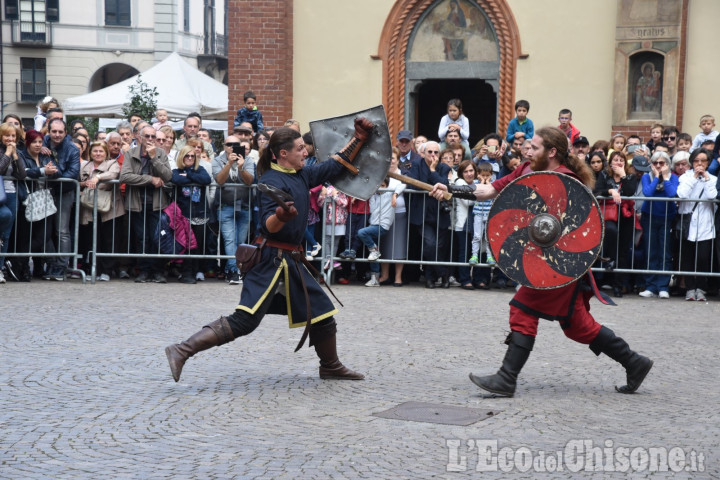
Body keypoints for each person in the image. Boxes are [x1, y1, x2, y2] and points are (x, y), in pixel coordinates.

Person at [430, 126, 653, 397]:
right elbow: (489, 190)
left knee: (522, 309)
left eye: (534, 147)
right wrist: (452, 189)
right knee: (577, 326)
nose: (527, 150)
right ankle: (635, 362)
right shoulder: (525, 169)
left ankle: (506, 378)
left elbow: (580, 230)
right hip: (542, 261)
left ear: (552, 152)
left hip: (559, 263)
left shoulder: (569, 181)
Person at [165, 125, 366, 383]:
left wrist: (358, 139)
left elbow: (336, 165)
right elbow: (268, 225)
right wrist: (281, 217)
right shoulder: (271, 180)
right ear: (283, 153)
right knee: (245, 320)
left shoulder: (302, 174)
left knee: (321, 311)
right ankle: (181, 350)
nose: (306, 152)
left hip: (291, 261)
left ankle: (330, 366)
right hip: (271, 259)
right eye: (300, 148)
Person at [119, 125, 173, 283]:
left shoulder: (161, 153)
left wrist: (154, 158)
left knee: (157, 238)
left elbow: (168, 176)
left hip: (156, 203)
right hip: (138, 203)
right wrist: (150, 179)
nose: (150, 139)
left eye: (153, 137)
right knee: (142, 238)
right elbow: (125, 176)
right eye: (147, 136)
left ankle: (157, 271)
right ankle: (144, 270)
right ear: (140, 138)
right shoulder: (131, 153)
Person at [78, 141, 124, 282]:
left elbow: (114, 174)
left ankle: (107, 270)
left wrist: (98, 177)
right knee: (92, 239)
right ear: (90, 152)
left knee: (109, 240)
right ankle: (94, 268)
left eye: (101, 151)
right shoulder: (85, 165)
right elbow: (77, 182)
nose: (98, 154)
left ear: (106, 153)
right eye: (95, 151)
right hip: (89, 206)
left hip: (110, 208)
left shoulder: (112, 164)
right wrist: (84, 183)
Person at [408, 140, 452, 288]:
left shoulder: (444, 167)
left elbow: (444, 185)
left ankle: (430, 277)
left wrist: (433, 171)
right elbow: (413, 184)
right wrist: (434, 187)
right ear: (423, 153)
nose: (433, 155)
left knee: (439, 246)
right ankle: (443, 273)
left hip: (440, 213)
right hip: (423, 213)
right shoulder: (416, 165)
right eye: (430, 152)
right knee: (429, 243)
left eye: (436, 152)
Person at [594, 151, 638, 298]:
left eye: (621, 160)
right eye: (615, 160)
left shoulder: (630, 176)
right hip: (609, 214)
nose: (618, 163)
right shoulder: (604, 175)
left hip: (625, 216)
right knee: (611, 233)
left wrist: (623, 175)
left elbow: (630, 191)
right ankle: (610, 260)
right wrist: (610, 190)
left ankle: (619, 285)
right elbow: (597, 190)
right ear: (610, 163)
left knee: (623, 250)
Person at [212, 135, 255, 285]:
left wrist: (241, 167)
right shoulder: (218, 160)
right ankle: (233, 271)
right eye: (229, 144)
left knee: (240, 241)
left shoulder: (248, 159)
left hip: (244, 205)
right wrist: (229, 163)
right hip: (225, 206)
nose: (232, 147)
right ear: (224, 146)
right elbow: (219, 180)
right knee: (230, 240)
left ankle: (238, 269)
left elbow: (250, 181)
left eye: (236, 144)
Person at [42, 118, 80, 281]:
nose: (57, 135)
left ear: (66, 132)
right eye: (54, 131)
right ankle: (51, 262)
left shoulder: (72, 148)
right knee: (44, 230)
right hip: (45, 191)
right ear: (49, 132)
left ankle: (61, 265)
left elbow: (73, 172)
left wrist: (55, 174)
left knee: (62, 230)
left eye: (60, 132)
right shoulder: (42, 143)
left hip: (65, 191)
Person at [677, 149, 717, 301]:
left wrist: (705, 178)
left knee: (702, 257)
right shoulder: (685, 177)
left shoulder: (712, 179)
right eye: (696, 161)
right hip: (687, 223)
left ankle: (700, 288)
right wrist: (694, 177)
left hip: (706, 224)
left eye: (703, 161)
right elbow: (682, 194)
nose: (700, 164)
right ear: (692, 162)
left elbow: (712, 196)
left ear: (708, 163)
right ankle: (689, 288)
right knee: (687, 258)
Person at [638, 150, 678, 299]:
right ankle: (650, 285)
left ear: (668, 164)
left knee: (665, 252)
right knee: (651, 251)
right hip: (650, 217)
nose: (659, 166)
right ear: (652, 165)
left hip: (667, 217)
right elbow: (647, 193)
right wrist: (656, 177)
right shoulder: (646, 177)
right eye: (656, 163)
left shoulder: (672, 178)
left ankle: (663, 286)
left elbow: (671, 193)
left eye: (663, 163)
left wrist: (665, 178)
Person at [171, 145, 212, 284]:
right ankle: (186, 273)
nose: (189, 158)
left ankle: (196, 271)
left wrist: (188, 175)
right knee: (187, 245)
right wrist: (193, 179)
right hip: (184, 214)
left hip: (199, 214)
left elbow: (206, 180)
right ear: (182, 157)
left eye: (192, 156)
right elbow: (177, 180)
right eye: (187, 156)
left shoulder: (200, 170)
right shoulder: (176, 171)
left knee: (198, 244)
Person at [0, 122, 28, 283]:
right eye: (7, 135)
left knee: (6, 235)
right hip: (0, 194)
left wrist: (16, 157)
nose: (10, 139)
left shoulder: (16, 151)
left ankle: (0, 268)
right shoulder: (3, 151)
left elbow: (22, 175)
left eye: (13, 136)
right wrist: (8, 154)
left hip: (11, 194)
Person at [377, 147, 407, 286]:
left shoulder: (403, 173)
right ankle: (385, 275)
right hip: (383, 213)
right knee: (384, 245)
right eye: (388, 159)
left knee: (399, 245)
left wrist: (394, 193)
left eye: (393, 158)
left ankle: (398, 277)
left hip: (399, 213)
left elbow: (404, 185)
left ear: (398, 160)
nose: (391, 162)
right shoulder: (381, 174)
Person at [361, 177, 395, 287]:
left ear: (387, 186)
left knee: (361, 233)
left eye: (383, 186)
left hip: (382, 225)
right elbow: (372, 210)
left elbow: (402, 185)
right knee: (373, 254)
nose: (381, 188)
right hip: (374, 224)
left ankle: (374, 250)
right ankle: (374, 278)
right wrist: (372, 195)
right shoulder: (374, 195)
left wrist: (395, 194)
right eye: (378, 186)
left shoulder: (390, 193)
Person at [452, 160, 479, 290]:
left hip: (477, 223)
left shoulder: (477, 183)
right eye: (466, 171)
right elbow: (467, 202)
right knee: (464, 252)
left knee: (477, 251)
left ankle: (478, 279)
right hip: (463, 224)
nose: (469, 174)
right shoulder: (459, 183)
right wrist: (482, 194)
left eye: (471, 171)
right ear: (461, 173)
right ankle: (465, 279)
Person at [468, 161, 495, 267]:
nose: (485, 177)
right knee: (477, 236)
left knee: (488, 236)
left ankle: (489, 256)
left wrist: (487, 182)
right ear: (478, 174)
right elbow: (477, 192)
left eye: (487, 176)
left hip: (489, 214)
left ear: (491, 175)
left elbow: (492, 192)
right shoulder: (476, 183)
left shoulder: (493, 184)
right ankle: (474, 255)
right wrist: (482, 181)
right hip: (478, 214)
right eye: (483, 175)